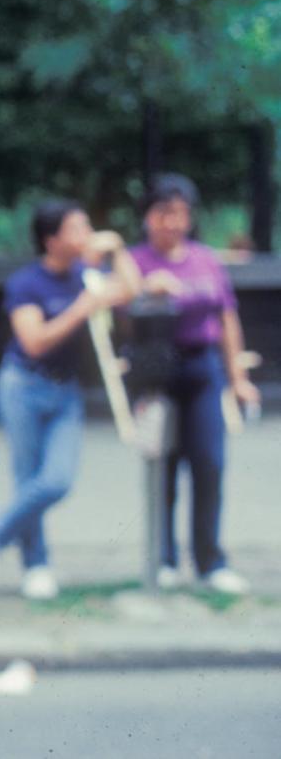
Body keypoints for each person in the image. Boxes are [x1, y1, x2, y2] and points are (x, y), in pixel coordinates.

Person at [0, 200, 140, 600]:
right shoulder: (27, 284)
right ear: (51, 239)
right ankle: (37, 566)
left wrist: (116, 250)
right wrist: (82, 308)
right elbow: (34, 341)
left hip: (66, 391)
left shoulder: (87, 274)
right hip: (23, 387)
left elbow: (131, 288)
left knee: (57, 480)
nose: (85, 235)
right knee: (29, 479)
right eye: (75, 228)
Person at [130, 174, 257, 595]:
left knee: (209, 463)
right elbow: (114, 308)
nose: (173, 222)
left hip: (202, 369)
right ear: (148, 216)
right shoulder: (134, 262)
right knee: (161, 464)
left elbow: (226, 318)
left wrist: (237, 378)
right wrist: (145, 291)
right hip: (155, 373)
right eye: (165, 213)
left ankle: (209, 561)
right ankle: (162, 559)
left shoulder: (206, 259)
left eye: (182, 214)